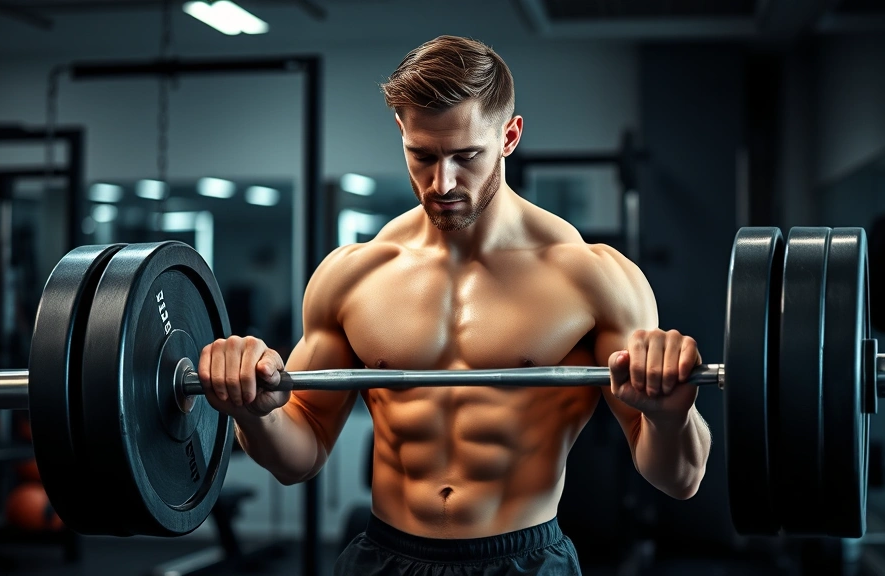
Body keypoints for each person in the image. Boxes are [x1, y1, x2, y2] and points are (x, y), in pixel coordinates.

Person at [198, 35, 712, 575]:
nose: (442, 182)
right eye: (423, 155)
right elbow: (298, 457)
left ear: (509, 136)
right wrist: (253, 415)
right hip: (385, 556)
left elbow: (680, 479)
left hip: (523, 561)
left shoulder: (590, 277)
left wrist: (670, 416)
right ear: (402, 133)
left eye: (467, 156)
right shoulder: (353, 275)